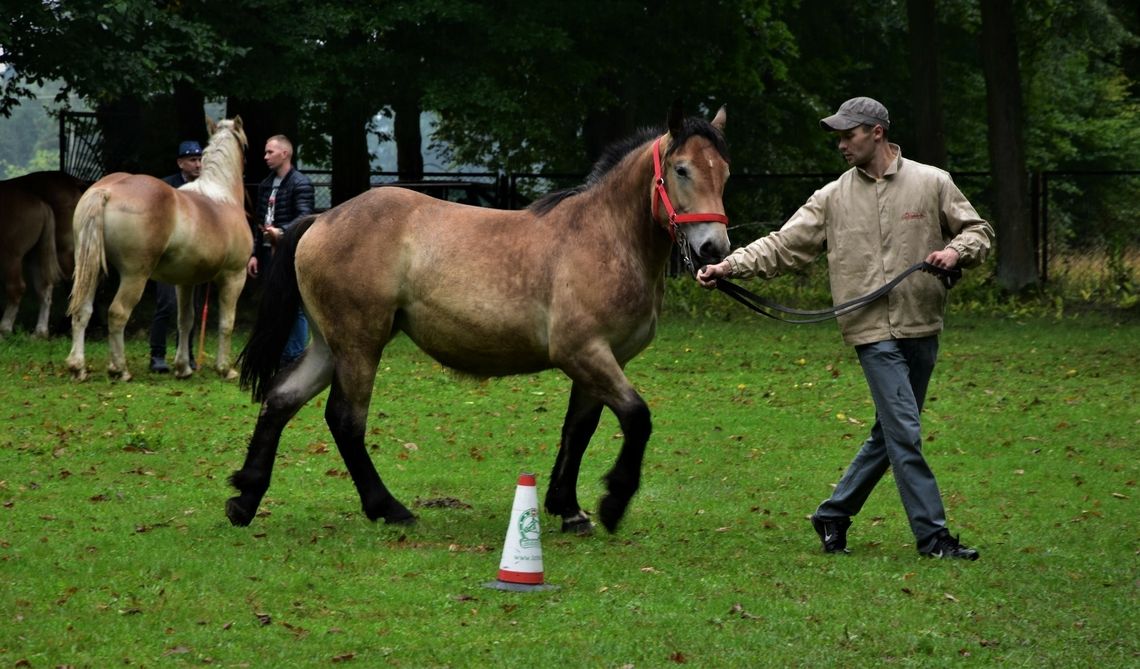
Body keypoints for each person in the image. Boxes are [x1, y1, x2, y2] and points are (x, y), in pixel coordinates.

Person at [697, 96, 994, 560]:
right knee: (905, 430)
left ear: (876, 132)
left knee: (892, 433)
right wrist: (728, 267)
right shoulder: (833, 197)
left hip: (922, 324)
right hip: (870, 331)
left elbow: (978, 231)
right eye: (837, 135)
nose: (840, 144)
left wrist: (956, 251)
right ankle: (933, 535)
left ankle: (834, 513)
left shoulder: (932, 182)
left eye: (848, 134)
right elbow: (783, 245)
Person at [247, 134, 314, 363]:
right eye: (266, 152)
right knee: (273, 302)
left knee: (293, 304)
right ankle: (279, 351)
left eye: (270, 152)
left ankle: (294, 355)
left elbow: (305, 216)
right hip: (268, 253)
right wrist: (254, 254)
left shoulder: (300, 182)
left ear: (285, 154)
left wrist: (282, 231)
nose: (265, 157)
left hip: (289, 252)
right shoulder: (266, 184)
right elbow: (259, 222)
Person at [150, 140, 204, 373]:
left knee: (190, 306)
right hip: (169, 256)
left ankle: (187, 354)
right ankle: (157, 355)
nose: (198, 164)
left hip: (194, 256)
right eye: (192, 160)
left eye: (200, 159)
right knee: (166, 305)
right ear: (181, 162)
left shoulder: (205, 189)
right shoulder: (166, 187)